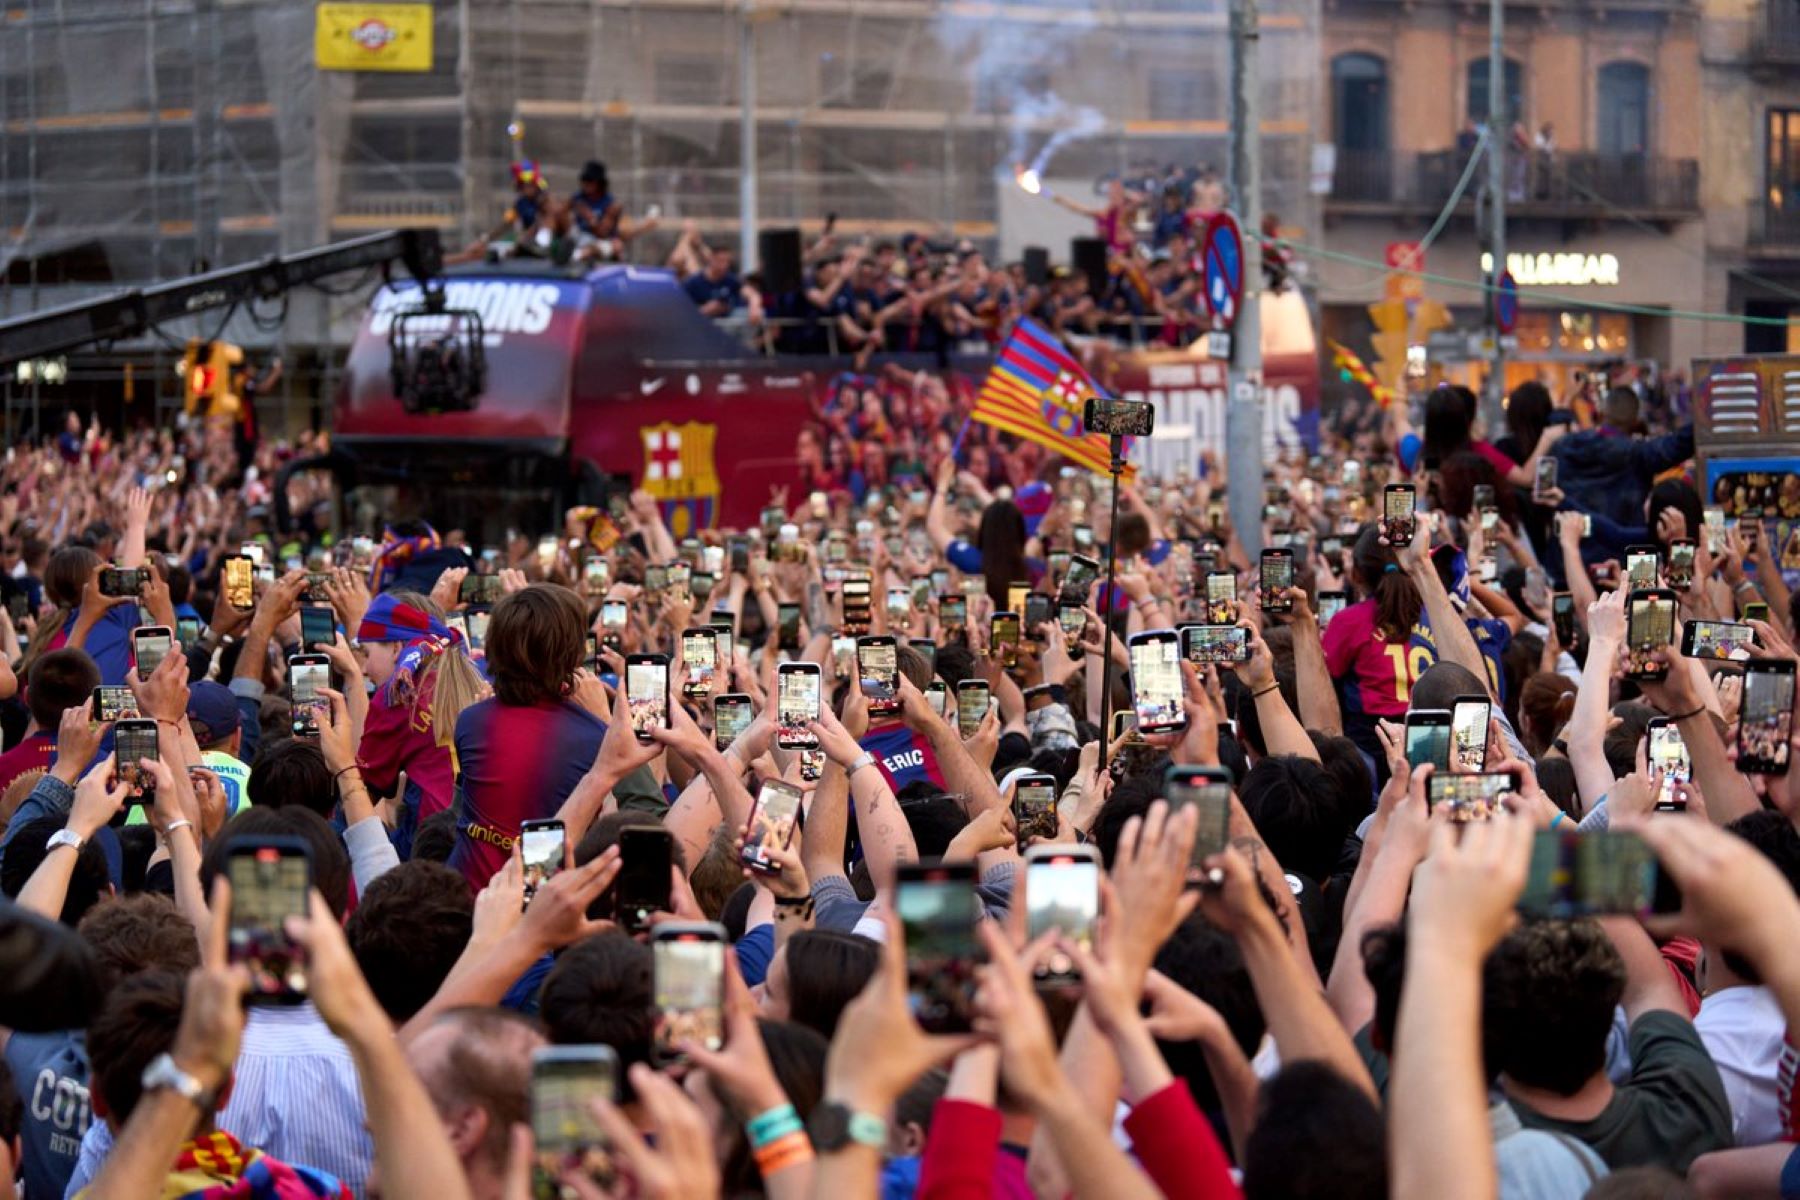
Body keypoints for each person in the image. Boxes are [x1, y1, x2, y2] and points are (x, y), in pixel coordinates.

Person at [449, 584, 607, 888]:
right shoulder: (593, 735)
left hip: (466, 892)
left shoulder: (470, 721)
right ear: (571, 653)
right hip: (540, 895)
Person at [1550, 386, 1696, 529]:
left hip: (1569, 542)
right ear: (1636, 420)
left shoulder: (1564, 446)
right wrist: (1704, 417)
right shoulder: (1638, 454)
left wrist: (1563, 409)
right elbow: (1677, 444)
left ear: (1603, 412)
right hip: (1623, 548)